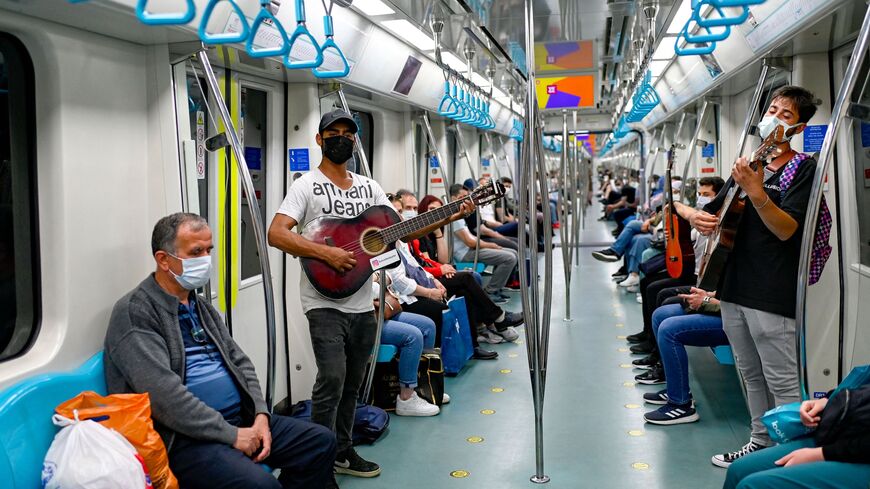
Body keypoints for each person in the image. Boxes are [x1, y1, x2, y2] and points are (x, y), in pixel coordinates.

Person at [267, 110, 473, 478]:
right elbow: (277, 233)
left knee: (353, 382)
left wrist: (451, 215)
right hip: (324, 301)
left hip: (364, 301)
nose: (342, 138)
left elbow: (401, 232)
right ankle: (315, 462)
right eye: (334, 132)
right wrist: (325, 252)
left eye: (349, 133)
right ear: (320, 139)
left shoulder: (369, 188)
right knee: (330, 379)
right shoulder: (306, 186)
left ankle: (343, 450)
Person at [104, 213, 337, 489]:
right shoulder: (136, 311)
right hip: (184, 439)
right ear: (164, 260)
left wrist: (261, 415)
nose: (206, 259)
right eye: (196, 252)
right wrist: (231, 435)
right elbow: (163, 396)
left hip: (239, 421)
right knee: (261, 486)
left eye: (208, 250)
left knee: (320, 442)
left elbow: (240, 362)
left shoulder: (199, 307)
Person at [676, 86, 819, 467]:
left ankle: (789, 455)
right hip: (733, 286)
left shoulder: (802, 168)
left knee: (782, 379)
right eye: (771, 109)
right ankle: (759, 441)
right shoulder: (747, 165)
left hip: (771, 288)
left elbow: (788, 229)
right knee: (750, 373)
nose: (773, 117)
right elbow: (712, 213)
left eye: (784, 114)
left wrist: (757, 191)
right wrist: (696, 217)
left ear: (798, 127)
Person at [724, 388, 870, 488]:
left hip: (858, 451)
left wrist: (822, 454)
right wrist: (827, 399)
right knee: (738, 470)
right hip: (843, 430)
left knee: (751, 485)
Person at [642, 287, 728, 424]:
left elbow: (744, 305)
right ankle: (676, 389)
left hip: (735, 319)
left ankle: (681, 405)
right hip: (723, 307)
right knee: (660, 315)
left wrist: (707, 301)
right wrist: (710, 295)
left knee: (669, 330)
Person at [371, 282, 441, 417]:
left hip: (380, 308)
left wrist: (378, 278)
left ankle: (424, 387)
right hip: (366, 316)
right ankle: (406, 399)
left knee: (428, 326)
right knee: (413, 336)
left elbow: (388, 277)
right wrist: (378, 281)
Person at [449, 184, 518, 303]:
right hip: (465, 253)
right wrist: (490, 245)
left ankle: (498, 288)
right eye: (462, 197)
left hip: (471, 249)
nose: (466, 199)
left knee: (512, 252)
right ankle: (490, 291)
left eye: (467, 196)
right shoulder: (454, 217)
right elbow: (470, 242)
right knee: (509, 257)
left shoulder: (461, 214)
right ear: (453, 198)